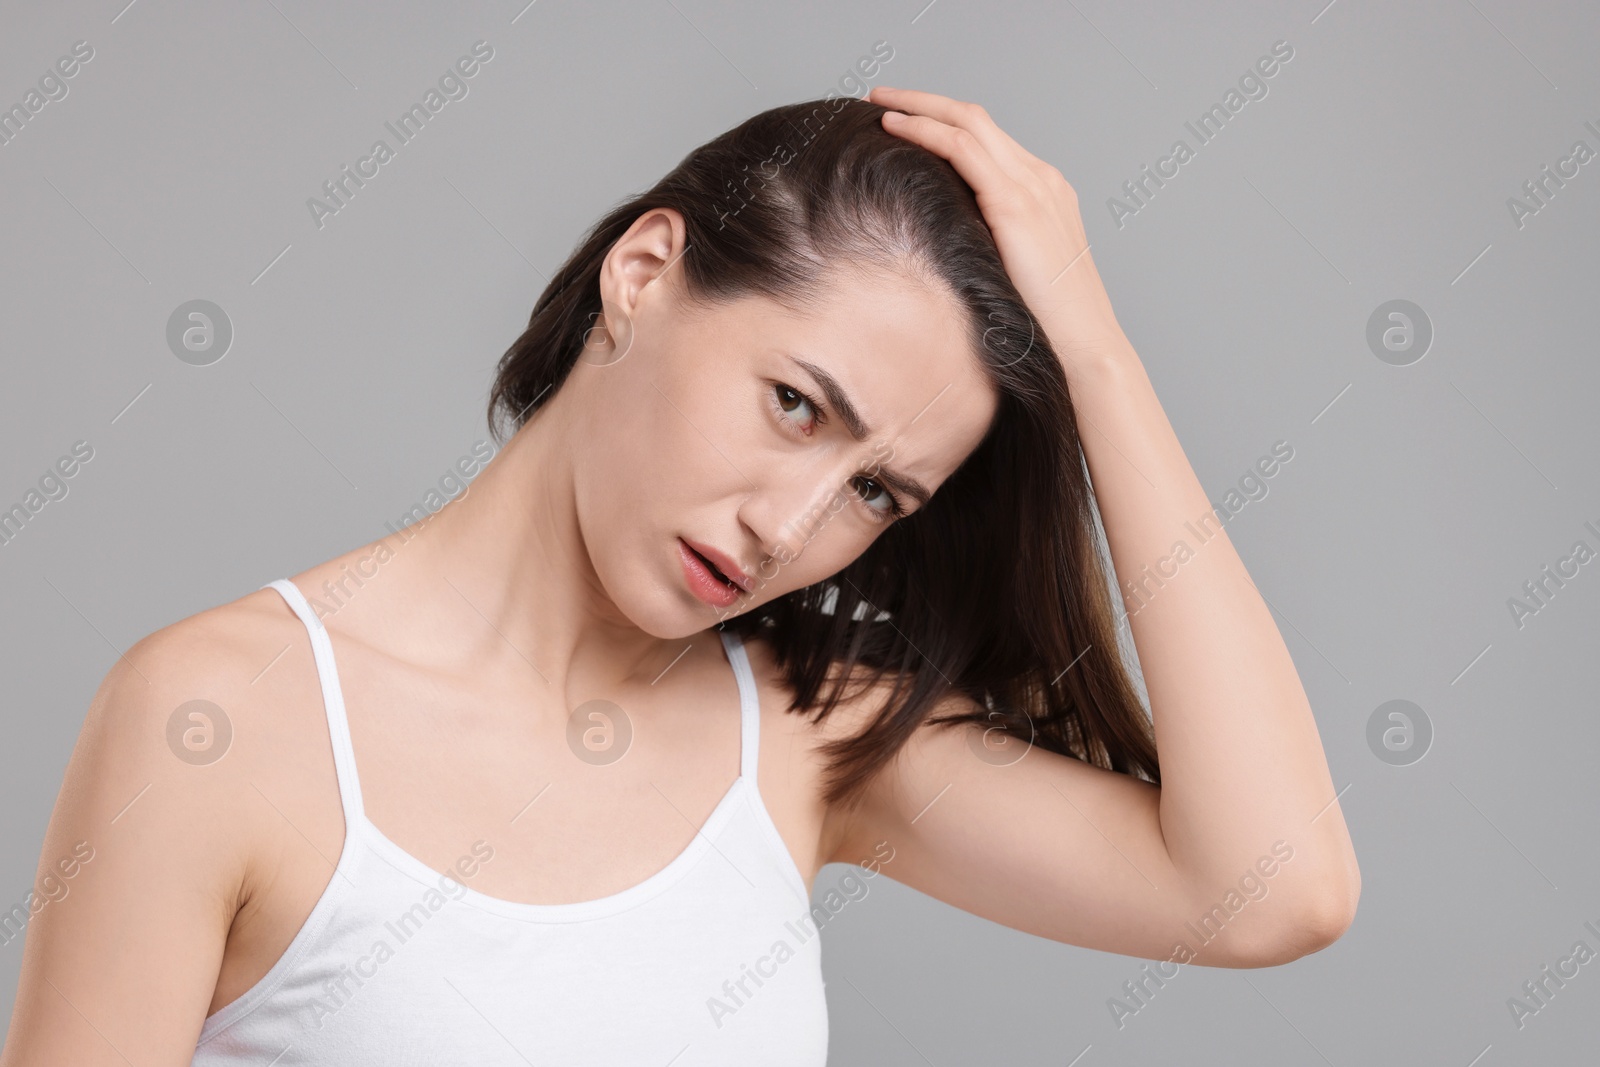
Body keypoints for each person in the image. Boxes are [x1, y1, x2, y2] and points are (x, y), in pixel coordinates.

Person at [1, 87, 1359, 1065]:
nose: (791, 524)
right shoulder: (221, 722)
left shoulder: (813, 739)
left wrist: (1102, 357)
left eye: (878, 492)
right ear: (644, 273)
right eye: (795, 405)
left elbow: (1277, 888)